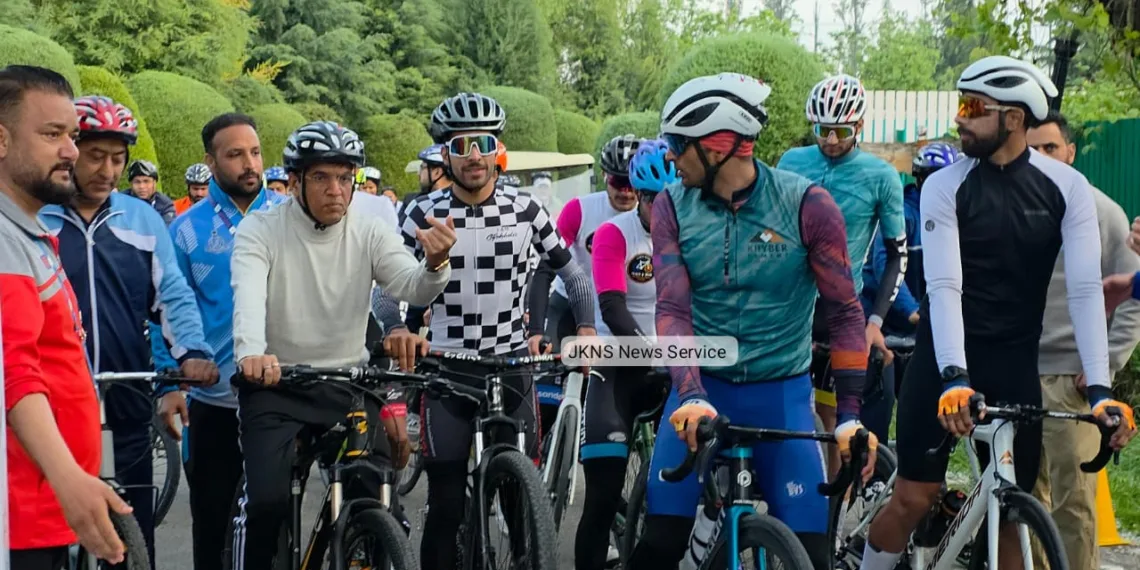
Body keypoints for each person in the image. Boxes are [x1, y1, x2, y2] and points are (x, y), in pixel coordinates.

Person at [858, 55, 1135, 570]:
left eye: (972, 107)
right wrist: (954, 376)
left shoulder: (1066, 188)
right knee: (915, 498)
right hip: (942, 361)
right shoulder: (945, 186)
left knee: (1011, 513)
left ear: (1013, 117)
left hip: (1014, 363)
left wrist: (1100, 391)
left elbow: (1083, 292)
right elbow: (944, 286)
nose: (959, 118)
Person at [628, 72, 873, 570]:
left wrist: (849, 413)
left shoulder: (808, 206)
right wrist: (691, 391)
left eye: (678, 143)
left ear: (719, 144)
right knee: (659, 546)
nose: (670, 156)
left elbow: (846, 312)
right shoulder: (672, 207)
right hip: (700, 387)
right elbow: (672, 309)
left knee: (815, 556)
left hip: (780, 395)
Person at [228, 120, 454, 570]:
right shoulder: (260, 231)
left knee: (377, 496)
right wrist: (251, 351)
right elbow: (248, 296)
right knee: (267, 505)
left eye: (345, 178)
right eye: (321, 177)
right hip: (276, 387)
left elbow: (411, 286)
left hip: (347, 385)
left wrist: (436, 261)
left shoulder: (368, 230)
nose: (336, 190)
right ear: (294, 182)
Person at [392, 91, 597, 570]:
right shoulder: (422, 214)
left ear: (496, 148)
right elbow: (388, 287)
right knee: (445, 502)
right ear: (445, 154)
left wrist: (585, 327)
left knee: (520, 504)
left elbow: (573, 274)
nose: (474, 156)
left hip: (510, 366)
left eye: (483, 143)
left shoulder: (526, 210)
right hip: (447, 367)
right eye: (461, 147)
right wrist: (397, 328)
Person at [40, 94, 219, 567]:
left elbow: (172, 295)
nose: (108, 170)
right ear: (70, 150)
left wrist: (191, 353)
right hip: (49, 396)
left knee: (132, 528)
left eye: (118, 159)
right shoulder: (36, 217)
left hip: (124, 389)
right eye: (96, 156)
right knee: (47, 526)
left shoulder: (141, 219)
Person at [0, 64, 129, 569]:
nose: (72, 152)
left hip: (50, 511)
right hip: (25, 516)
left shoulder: (27, 232)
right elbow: (15, 372)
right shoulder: (6, 242)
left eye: (72, 136)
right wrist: (66, 476)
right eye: (52, 134)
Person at [160, 112, 289, 570]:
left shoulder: (288, 218)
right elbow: (166, 312)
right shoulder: (186, 230)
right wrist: (169, 384)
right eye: (235, 155)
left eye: (255, 152)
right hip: (214, 402)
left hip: (283, 396)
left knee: (275, 530)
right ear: (210, 162)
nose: (250, 164)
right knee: (213, 527)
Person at [777, 73, 907, 475]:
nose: (831, 140)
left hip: (839, 310)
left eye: (841, 131)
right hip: (787, 306)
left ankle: (829, 528)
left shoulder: (881, 176)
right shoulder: (791, 162)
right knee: (780, 416)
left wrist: (875, 322)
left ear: (860, 127)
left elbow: (896, 254)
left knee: (836, 426)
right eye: (822, 130)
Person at [1027, 110, 1140, 570]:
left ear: (1070, 153)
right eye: (1031, 150)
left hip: (1072, 382)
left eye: (1050, 148)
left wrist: (1104, 367)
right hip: (1015, 373)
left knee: (1073, 504)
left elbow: (1132, 294)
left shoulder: (1102, 211)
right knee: (1021, 499)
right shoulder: (1014, 209)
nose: (1041, 159)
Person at [575, 139, 673, 570]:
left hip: (673, 363)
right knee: (602, 494)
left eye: (676, 198)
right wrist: (649, 350)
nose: (666, 210)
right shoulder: (615, 233)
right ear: (640, 196)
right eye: (655, 200)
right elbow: (612, 306)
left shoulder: (695, 234)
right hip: (618, 365)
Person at [857, 142, 963, 442]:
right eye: (930, 178)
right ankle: (871, 474)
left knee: (928, 415)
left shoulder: (957, 215)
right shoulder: (905, 214)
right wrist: (912, 310)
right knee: (878, 406)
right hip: (884, 326)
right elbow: (884, 264)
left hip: (925, 331)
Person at [528, 134, 641, 354]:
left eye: (631, 183)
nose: (625, 192)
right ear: (603, 175)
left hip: (618, 307)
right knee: (551, 367)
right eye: (618, 182)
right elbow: (545, 269)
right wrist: (535, 329)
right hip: (570, 305)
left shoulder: (651, 216)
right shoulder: (578, 210)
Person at [126, 159, 176, 224]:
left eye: (146, 181)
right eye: (137, 182)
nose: (142, 186)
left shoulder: (165, 204)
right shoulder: (120, 201)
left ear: (154, 183)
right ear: (131, 184)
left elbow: (166, 230)